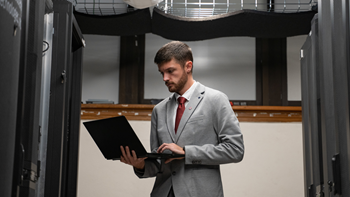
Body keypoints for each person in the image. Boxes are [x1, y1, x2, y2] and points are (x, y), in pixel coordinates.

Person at [120, 41, 244, 197]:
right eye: (162, 72)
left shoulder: (216, 100)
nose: (165, 78)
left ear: (188, 66)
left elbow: (235, 150)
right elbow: (159, 162)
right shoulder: (159, 110)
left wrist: (186, 152)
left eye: (170, 71)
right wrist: (139, 164)